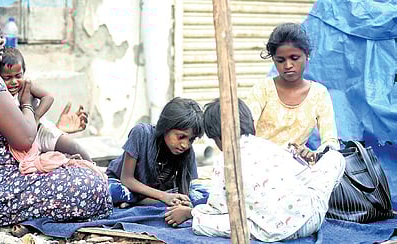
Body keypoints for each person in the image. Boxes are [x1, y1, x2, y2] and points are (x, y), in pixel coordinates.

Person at [0, 5, 112, 227]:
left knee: (77, 168)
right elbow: (25, 139)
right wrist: (27, 104)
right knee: (91, 185)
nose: (0, 41)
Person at [165, 98, 345, 242]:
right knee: (334, 158)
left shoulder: (225, 161)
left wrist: (192, 212)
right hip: (310, 219)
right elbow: (302, 176)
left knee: (212, 222)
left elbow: (218, 209)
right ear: (250, 122)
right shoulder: (269, 146)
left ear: (216, 137)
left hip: (269, 230)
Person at [247, 22, 339, 163]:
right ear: (273, 60)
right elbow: (246, 135)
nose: (288, 65)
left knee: (336, 160)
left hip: (296, 168)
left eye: (294, 58)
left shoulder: (319, 94)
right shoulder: (262, 89)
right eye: (280, 60)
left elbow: (330, 141)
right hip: (260, 165)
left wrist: (313, 154)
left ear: (306, 55)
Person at [0, 47, 92, 161]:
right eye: (7, 78)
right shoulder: (0, 96)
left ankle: (94, 169)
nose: (14, 82)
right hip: (22, 141)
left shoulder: (26, 86)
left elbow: (48, 97)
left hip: (41, 131)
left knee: (74, 147)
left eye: (18, 76)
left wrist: (36, 117)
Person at [106, 97, 204, 208]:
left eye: (191, 139)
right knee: (113, 191)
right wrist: (163, 196)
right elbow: (127, 179)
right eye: (181, 136)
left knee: (200, 193)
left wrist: (183, 204)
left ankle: (137, 201)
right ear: (166, 127)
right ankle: (138, 200)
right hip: (124, 184)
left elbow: (188, 188)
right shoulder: (141, 133)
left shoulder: (187, 151)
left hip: (155, 191)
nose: (185, 145)